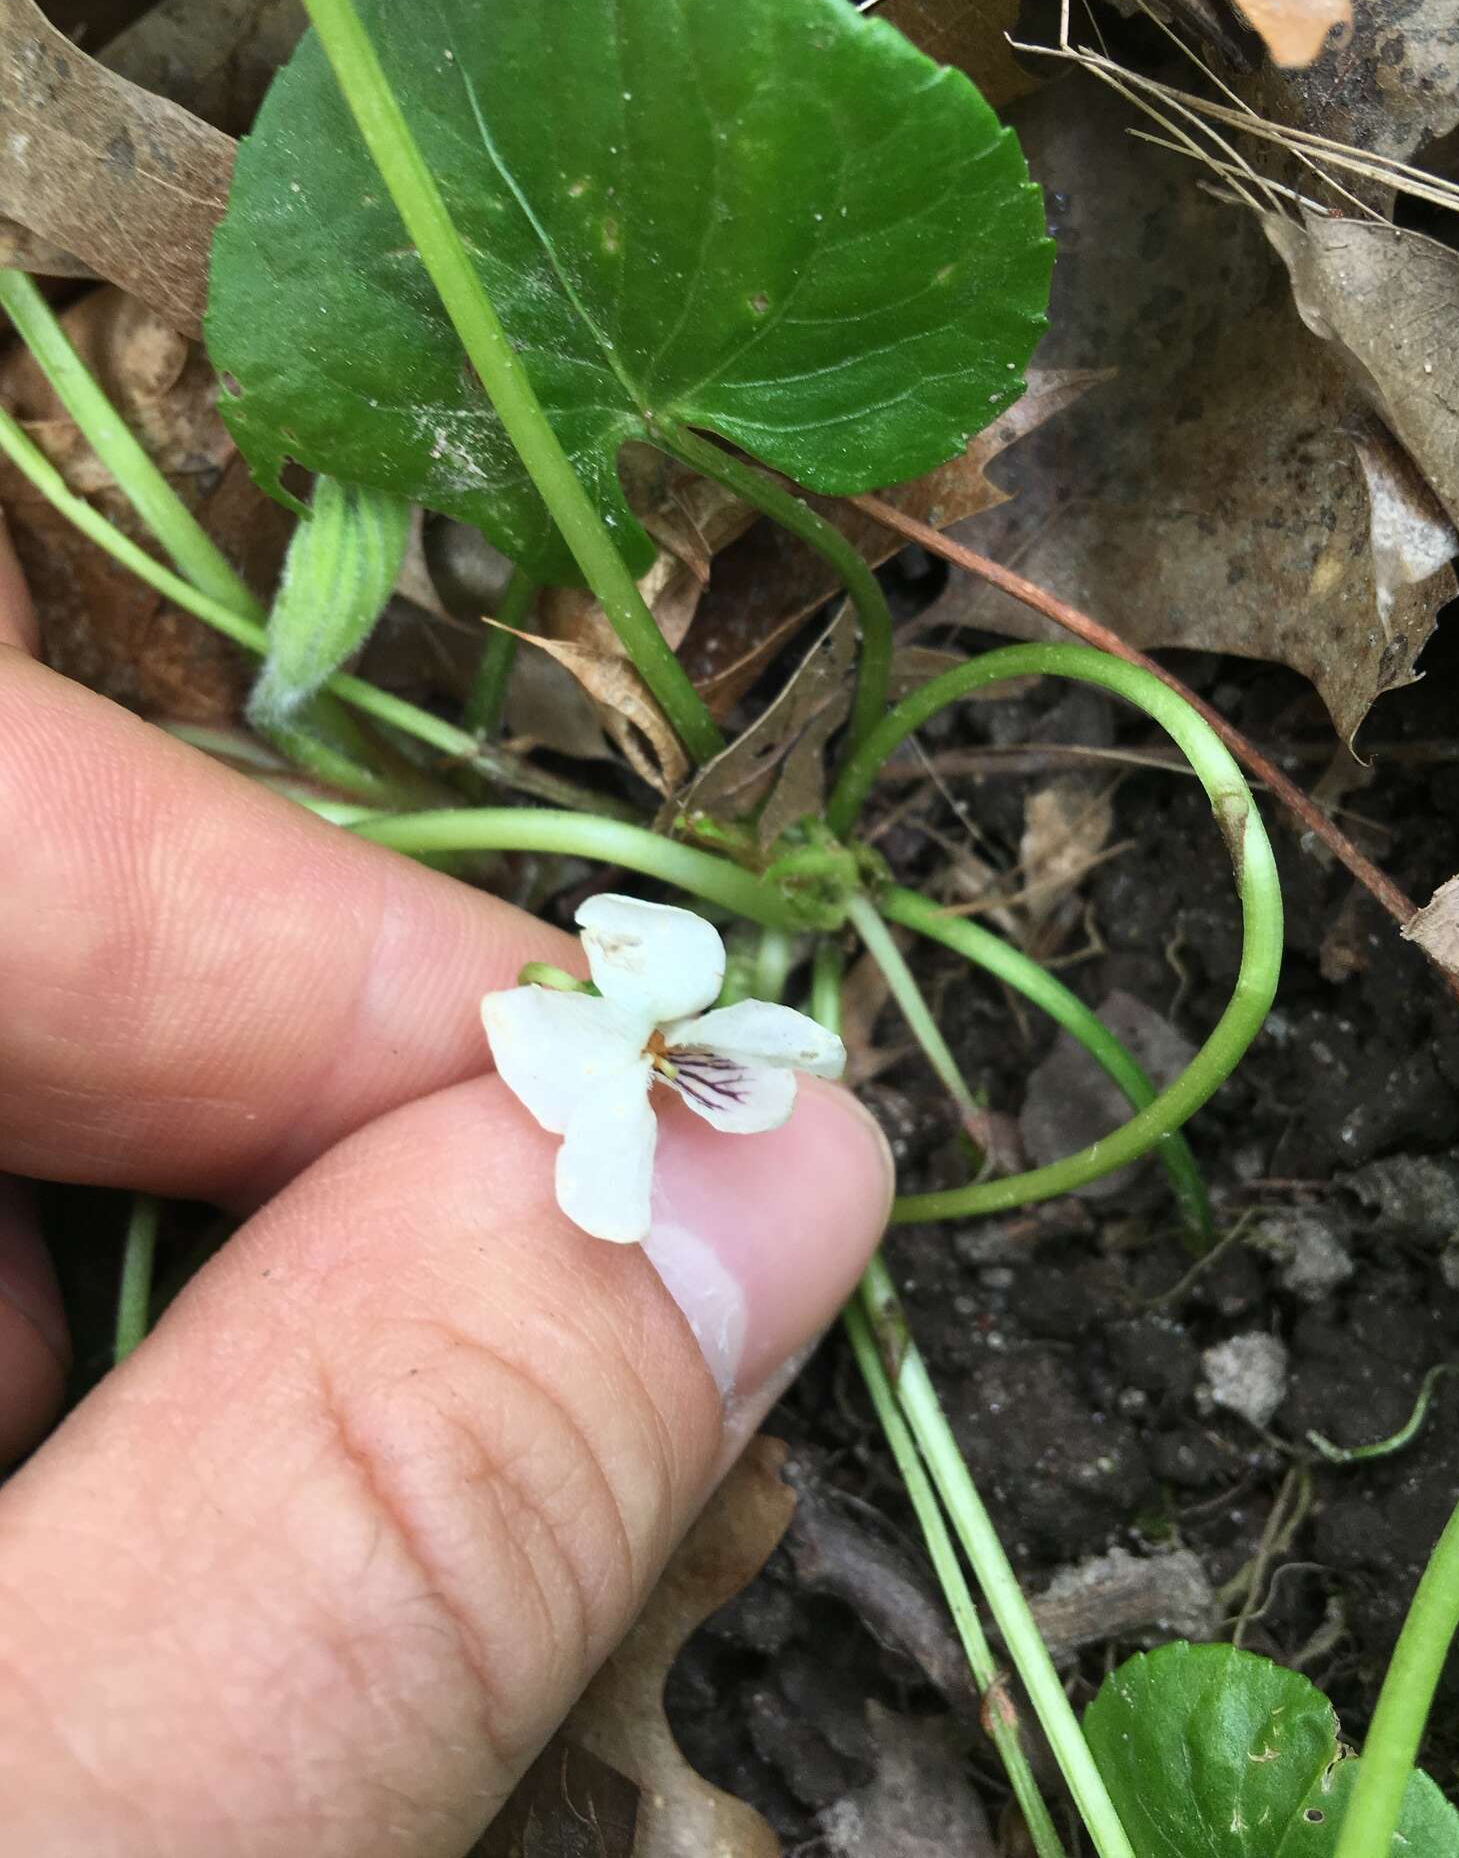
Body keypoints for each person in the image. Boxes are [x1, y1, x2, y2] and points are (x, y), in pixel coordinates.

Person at [0, 513, 892, 1853]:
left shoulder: (647, 1037)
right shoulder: (584, 1045)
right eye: (659, 1057)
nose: (673, 1069)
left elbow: (725, 1055)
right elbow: (597, 1062)